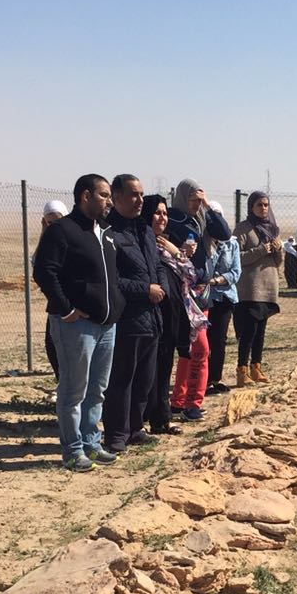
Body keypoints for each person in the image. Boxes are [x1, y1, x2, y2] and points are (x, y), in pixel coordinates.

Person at [32, 173, 123, 471]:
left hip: (106, 325)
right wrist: (66, 309)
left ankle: (91, 444)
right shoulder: (62, 230)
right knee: (74, 390)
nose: (109, 201)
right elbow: (44, 271)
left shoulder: (106, 232)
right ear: (85, 196)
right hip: (76, 325)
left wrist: (116, 305)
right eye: (104, 195)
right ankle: (72, 450)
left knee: (97, 389)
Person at [103, 173, 163, 452]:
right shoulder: (109, 233)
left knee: (144, 378)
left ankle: (136, 427)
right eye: (133, 195)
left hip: (152, 317)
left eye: (141, 194)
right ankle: (116, 434)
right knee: (122, 379)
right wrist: (145, 289)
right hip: (127, 318)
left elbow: (156, 266)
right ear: (117, 197)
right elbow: (112, 279)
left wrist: (162, 287)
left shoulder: (145, 231)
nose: (140, 200)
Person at [144, 196, 183, 436]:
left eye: (165, 213)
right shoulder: (142, 241)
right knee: (147, 371)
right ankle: (140, 420)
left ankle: (161, 418)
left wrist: (177, 253)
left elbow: (191, 273)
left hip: (171, 315)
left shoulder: (169, 243)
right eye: (157, 213)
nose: (162, 218)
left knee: (164, 367)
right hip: (150, 315)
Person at [235, 191, 282, 383]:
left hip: (268, 288)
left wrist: (278, 250)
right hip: (251, 289)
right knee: (249, 332)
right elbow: (236, 258)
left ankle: (256, 368)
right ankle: (241, 371)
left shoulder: (273, 229)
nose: (263, 208)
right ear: (251, 207)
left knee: (261, 332)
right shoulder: (243, 229)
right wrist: (261, 250)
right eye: (259, 205)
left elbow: (277, 262)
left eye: (266, 205)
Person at [168, 230, 211, 421]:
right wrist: (180, 252)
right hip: (179, 300)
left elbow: (223, 232)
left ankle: (184, 402)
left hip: (200, 301)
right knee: (197, 350)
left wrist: (210, 213)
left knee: (194, 351)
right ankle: (187, 403)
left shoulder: (203, 225)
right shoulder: (172, 225)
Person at [201, 203, 240, 393]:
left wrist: (217, 281)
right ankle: (203, 380)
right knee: (204, 340)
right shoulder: (201, 242)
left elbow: (236, 272)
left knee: (219, 340)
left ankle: (215, 379)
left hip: (224, 297)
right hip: (205, 298)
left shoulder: (232, 244)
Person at [38, 201, 68, 378]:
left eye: (57, 221)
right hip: (56, 305)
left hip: (71, 303)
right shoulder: (48, 240)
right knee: (52, 346)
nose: (53, 226)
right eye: (49, 222)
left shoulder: (71, 237)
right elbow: (38, 265)